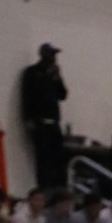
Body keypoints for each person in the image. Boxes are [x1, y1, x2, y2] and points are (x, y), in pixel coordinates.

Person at [21, 43, 68, 189]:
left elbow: (63, 95)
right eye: (52, 55)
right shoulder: (32, 72)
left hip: (53, 121)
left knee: (58, 157)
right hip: (40, 121)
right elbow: (26, 96)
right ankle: (44, 187)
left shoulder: (53, 74)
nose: (54, 58)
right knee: (43, 158)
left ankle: (59, 186)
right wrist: (28, 118)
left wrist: (57, 77)